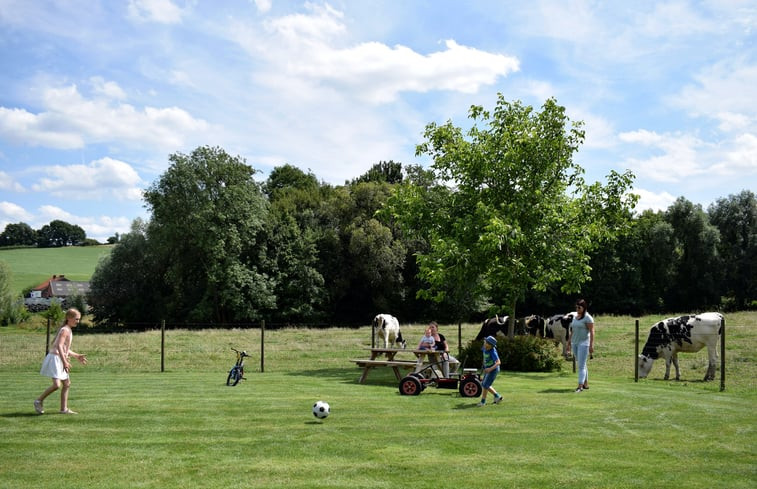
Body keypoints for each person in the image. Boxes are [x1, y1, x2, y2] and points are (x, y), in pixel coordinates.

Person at [34, 308, 88, 414]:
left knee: (67, 384)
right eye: (76, 319)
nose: (78, 321)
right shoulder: (65, 330)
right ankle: (38, 401)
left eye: (78, 319)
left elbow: (64, 348)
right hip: (55, 359)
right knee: (57, 385)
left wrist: (76, 355)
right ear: (68, 318)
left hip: (59, 359)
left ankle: (64, 409)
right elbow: (58, 346)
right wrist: (65, 362)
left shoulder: (68, 329)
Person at [566, 299, 595, 393]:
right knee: (582, 363)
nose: (577, 309)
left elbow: (592, 332)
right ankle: (585, 384)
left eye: (579, 307)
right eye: (576, 307)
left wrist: (591, 345)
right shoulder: (575, 316)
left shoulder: (588, 318)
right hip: (575, 343)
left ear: (584, 308)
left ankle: (580, 386)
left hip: (584, 343)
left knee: (581, 366)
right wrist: (569, 343)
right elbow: (572, 330)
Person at [477, 335, 503, 406]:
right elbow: (484, 356)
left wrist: (490, 369)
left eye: (487, 343)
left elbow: (498, 362)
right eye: (485, 342)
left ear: (491, 346)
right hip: (487, 369)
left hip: (493, 370)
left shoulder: (492, 351)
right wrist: (484, 366)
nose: (485, 344)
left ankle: (483, 402)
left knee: (485, 385)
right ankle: (497, 397)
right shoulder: (484, 348)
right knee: (484, 384)